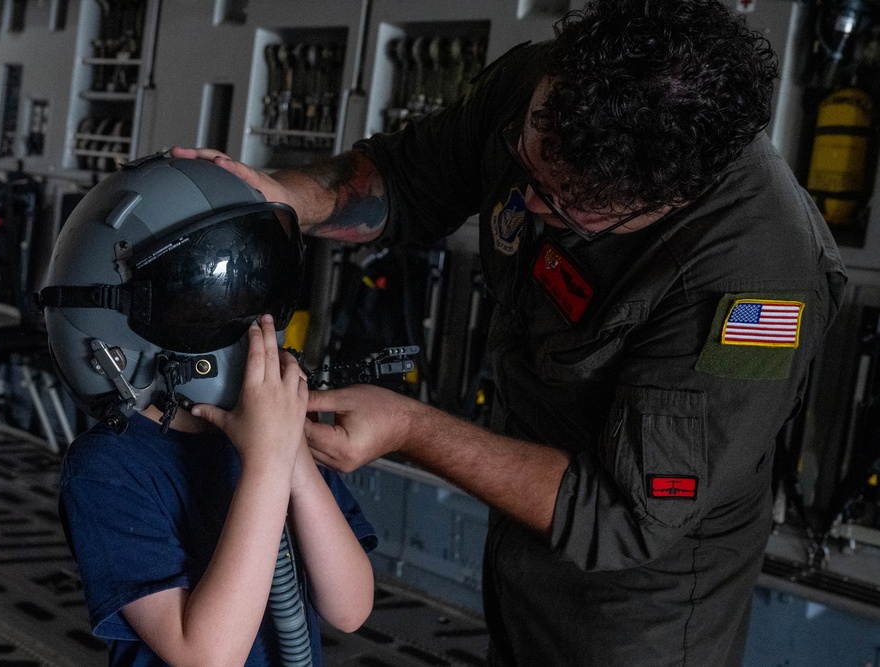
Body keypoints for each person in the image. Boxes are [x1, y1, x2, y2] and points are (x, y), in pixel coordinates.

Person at [174, 1, 848, 665]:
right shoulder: (559, 92)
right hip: (519, 562)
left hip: (633, 616)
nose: (521, 198)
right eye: (522, 158)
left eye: (557, 200)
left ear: (659, 202)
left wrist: (412, 428)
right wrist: (281, 196)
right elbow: (408, 178)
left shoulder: (757, 282)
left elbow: (622, 513)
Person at [39, 156, 376, 666]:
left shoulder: (278, 436)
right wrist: (265, 462)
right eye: (208, 302)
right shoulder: (106, 470)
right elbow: (206, 657)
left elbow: (350, 607)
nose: (244, 325)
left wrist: (292, 456)